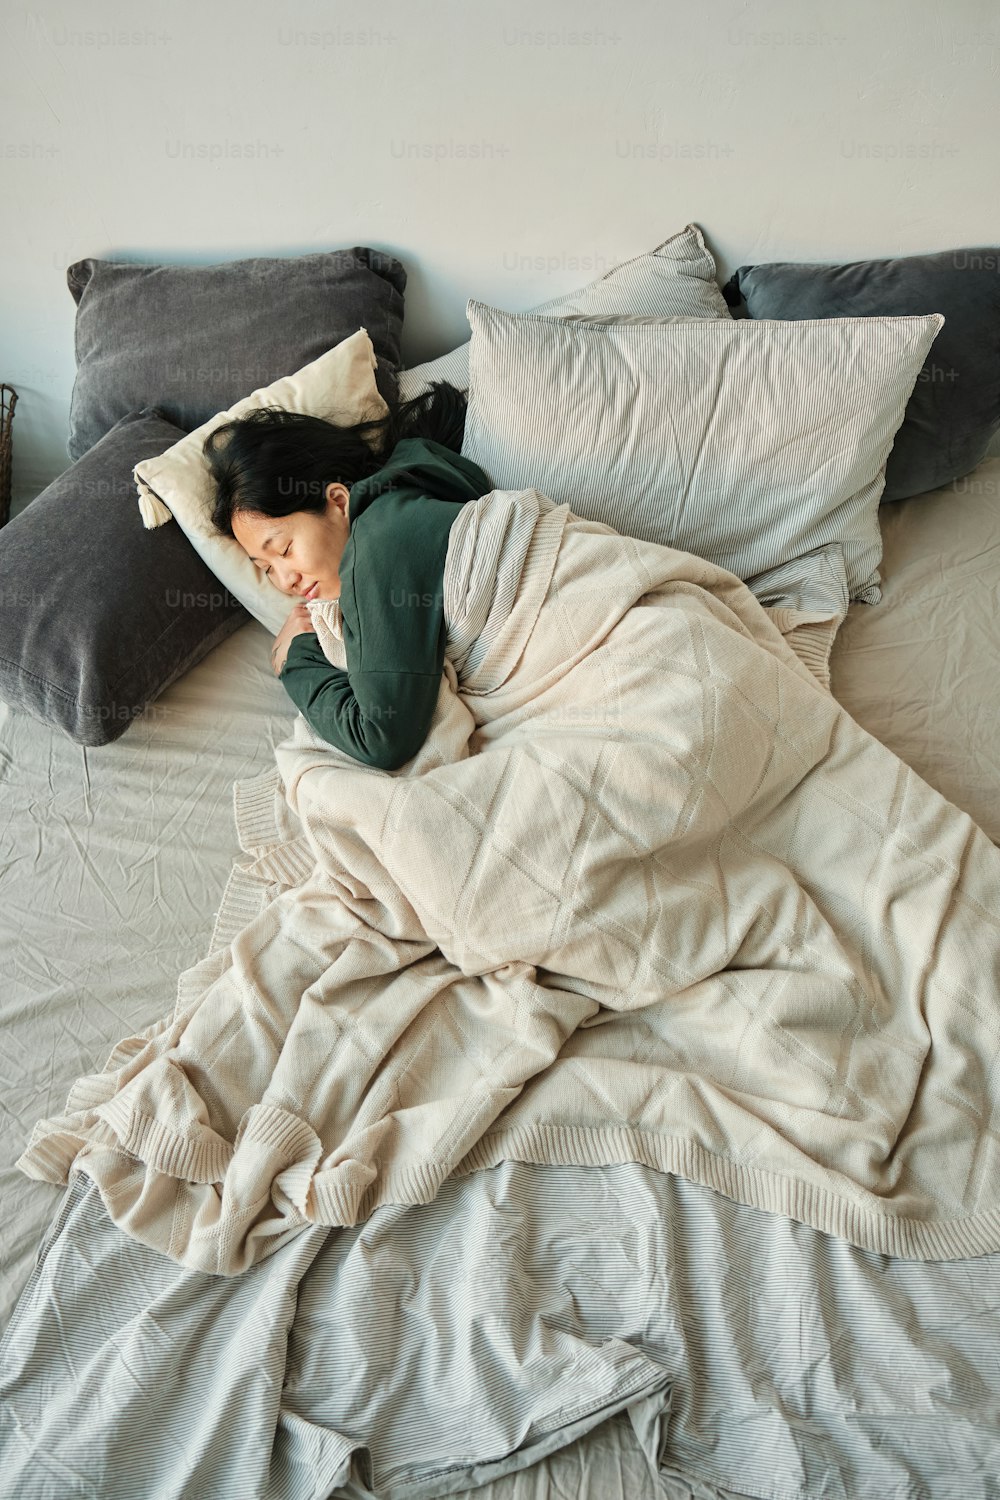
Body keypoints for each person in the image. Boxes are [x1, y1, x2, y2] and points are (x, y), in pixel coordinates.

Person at [204, 381, 492, 770]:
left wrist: (295, 659)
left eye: (284, 549)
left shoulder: (377, 543)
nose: (286, 580)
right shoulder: (410, 495)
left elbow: (382, 739)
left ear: (338, 501)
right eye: (267, 568)